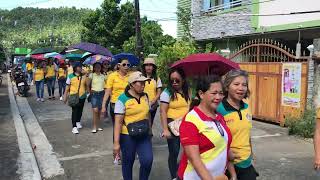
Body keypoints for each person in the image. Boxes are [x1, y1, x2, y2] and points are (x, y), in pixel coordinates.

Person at [178, 75, 232, 180]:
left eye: (221, 93)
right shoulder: (191, 120)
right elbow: (194, 159)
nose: (218, 97)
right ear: (201, 94)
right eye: (214, 93)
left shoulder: (219, 117)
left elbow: (223, 144)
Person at [217, 69, 258, 180]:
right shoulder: (219, 109)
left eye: (244, 85)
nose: (241, 88)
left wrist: (251, 153)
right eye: (236, 84)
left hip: (246, 163)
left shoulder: (246, 107)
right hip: (227, 166)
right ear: (227, 86)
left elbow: (247, 134)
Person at [113, 71, 153, 180]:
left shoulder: (145, 96)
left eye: (144, 83)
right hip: (127, 136)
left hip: (144, 134)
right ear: (131, 84)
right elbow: (118, 122)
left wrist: (150, 130)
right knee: (128, 161)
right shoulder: (122, 99)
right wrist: (116, 144)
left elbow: (148, 114)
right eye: (140, 83)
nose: (143, 85)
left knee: (147, 160)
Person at [160, 68, 191, 180]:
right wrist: (165, 129)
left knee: (189, 150)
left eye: (177, 80)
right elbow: (163, 111)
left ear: (183, 80)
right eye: (172, 80)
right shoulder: (166, 93)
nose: (174, 83)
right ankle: (174, 175)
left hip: (186, 124)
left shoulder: (187, 90)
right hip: (172, 126)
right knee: (174, 151)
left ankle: (185, 171)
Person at [101, 58, 131, 127]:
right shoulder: (112, 76)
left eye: (128, 65)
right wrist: (103, 106)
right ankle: (117, 137)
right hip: (115, 104)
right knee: (117, 125)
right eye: (124, 64)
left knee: (127, 125)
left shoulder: (131, 76)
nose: (126, 66)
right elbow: (107, 91)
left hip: (128, 103)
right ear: (118, 65)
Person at [64, 62, 87, 134]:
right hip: (74, 96)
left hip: (82, 96)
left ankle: (78, 121)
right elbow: (67, 88)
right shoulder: (70, 76)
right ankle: (74, 127)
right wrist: (65, 96)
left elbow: (88, 75)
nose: (80, 68)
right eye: (78, 67)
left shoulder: (83, 76)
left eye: (81, 66)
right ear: (75, 68)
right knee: (75, 111)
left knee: (80, 110)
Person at [142, 58, 162, 126]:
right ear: (144, 67)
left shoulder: (157, 78)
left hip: (153, 105)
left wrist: (153, 101)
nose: (148, 67)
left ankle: (149, 134)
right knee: (142, 121)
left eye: (150, 65)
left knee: (150, 122)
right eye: (147, 65)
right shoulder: (140, 78)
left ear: (153, 67)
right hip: (142, 104)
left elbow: (158, 92)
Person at [86, 62, 106, 133]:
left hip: (102, 93)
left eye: (99, 67)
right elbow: (87, 85)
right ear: (94, 68)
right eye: (96, 67)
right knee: (95, 110)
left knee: (100, 111)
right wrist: (89, 93)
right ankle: (94, 126)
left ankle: (99, 125)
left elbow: (106, 85)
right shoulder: (92, 75)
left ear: (101, 68)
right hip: (94, 94)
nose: (98, 68)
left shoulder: (103, 76)